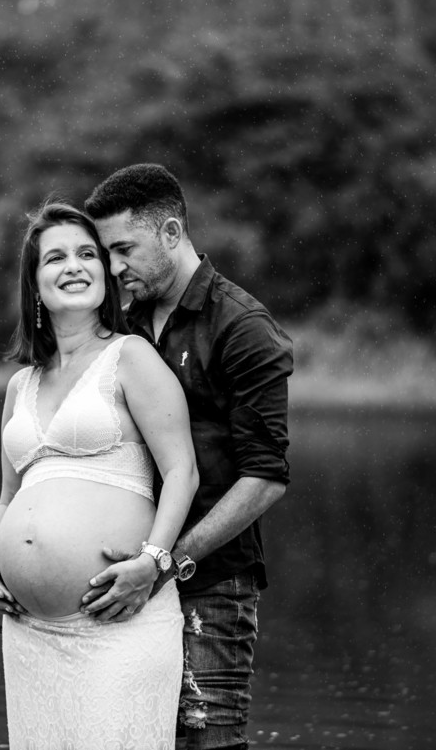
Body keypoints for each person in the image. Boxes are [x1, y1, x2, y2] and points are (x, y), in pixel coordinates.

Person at [0, 201, 199, 749]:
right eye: (55, 258)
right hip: (28, 633)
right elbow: (8, 498)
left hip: (115, 626)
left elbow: (182, 471)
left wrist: (153, 560)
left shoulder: (130, 357)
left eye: (87, 253)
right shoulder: (20, 385)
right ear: (34, 283)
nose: (73, 265)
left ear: (105, 273)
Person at [82, 164, 294, 749]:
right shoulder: (120, 324)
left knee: (206, 742)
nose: (113, 268)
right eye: (107, 253)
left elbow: (266, 478)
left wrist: (166, 563)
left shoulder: (243, 327)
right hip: (120, 575)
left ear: (171, 233)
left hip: (211, 581)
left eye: (125, 249)